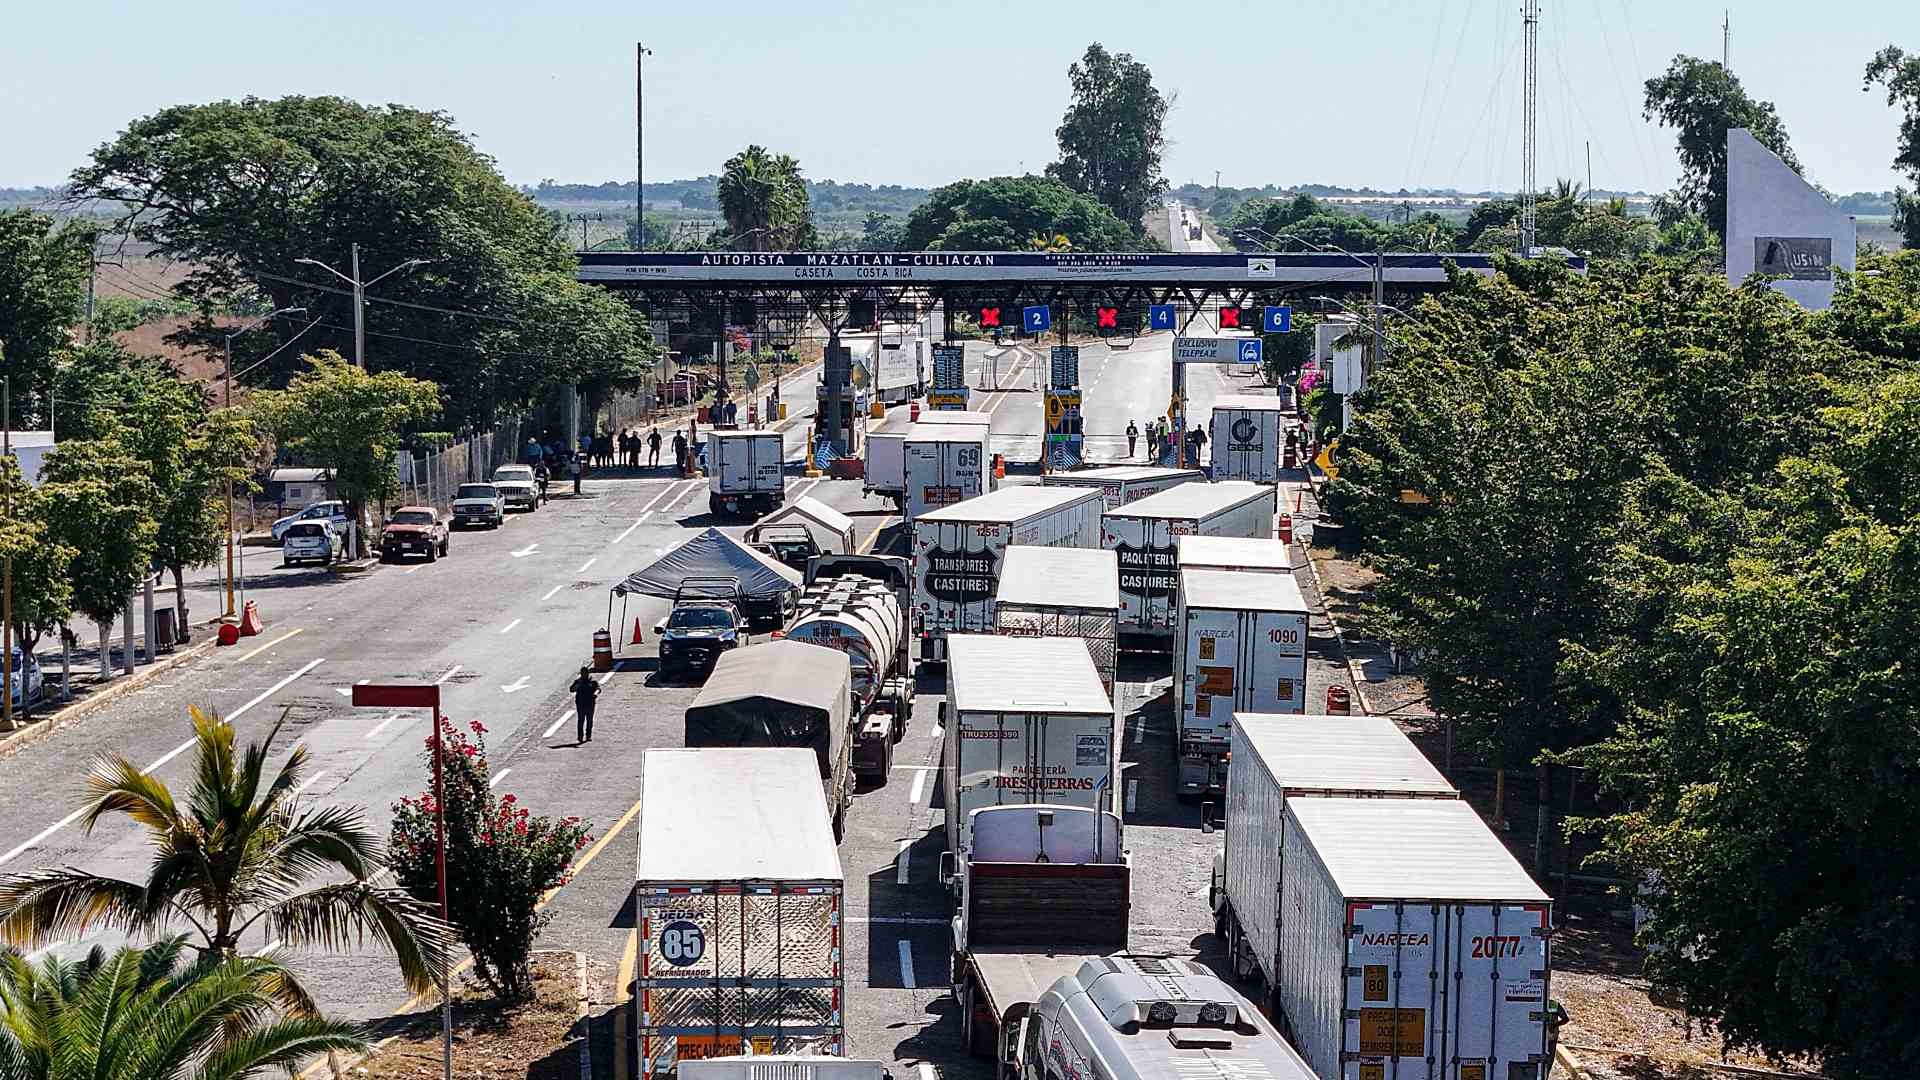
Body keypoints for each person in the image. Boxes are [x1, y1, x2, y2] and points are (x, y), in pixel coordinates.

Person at [570, 665, 600, 742]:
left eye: (585, 673)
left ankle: (588, 736)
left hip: (590, 703)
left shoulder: (592, 681)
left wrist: (595, 694)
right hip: (580, 704)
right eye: (583, 673)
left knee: (590, 720)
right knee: (581, 720)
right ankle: (580, 736)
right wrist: (578, 685)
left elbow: (598, 689)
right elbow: (571, 689)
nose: (584, 675)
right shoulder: (578, 682)